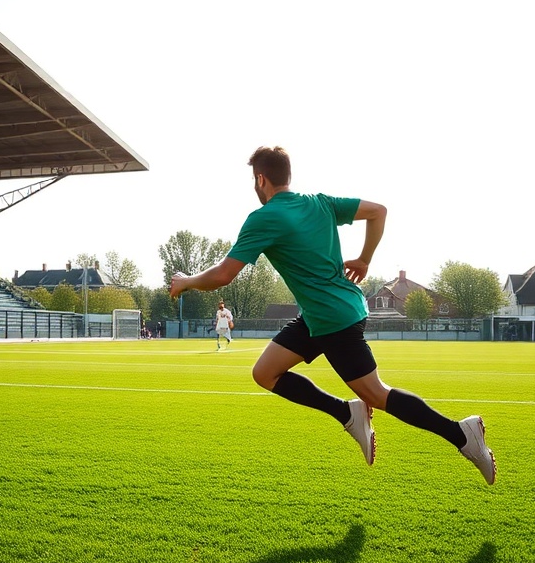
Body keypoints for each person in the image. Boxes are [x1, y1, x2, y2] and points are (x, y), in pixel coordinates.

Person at [170, 146, 495, 484]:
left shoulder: (264, 218)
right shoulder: (320, 203)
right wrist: (365, 258)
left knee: (375, 394)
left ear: (260, 179)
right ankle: (347, 412)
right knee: (265, 373)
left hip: (334, 320)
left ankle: (462, 434)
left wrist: (185, 282)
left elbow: (223, 275)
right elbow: (378, 211)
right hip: (321, 316)